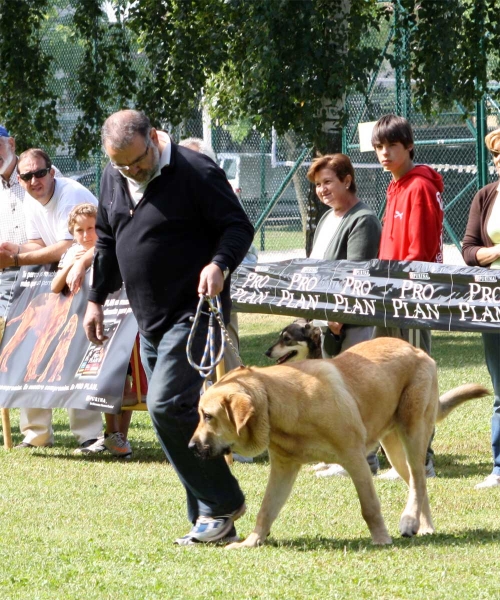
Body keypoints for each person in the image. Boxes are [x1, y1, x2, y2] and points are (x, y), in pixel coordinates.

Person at [83, 110, 254, 545]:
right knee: (171, 418)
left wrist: (219, 264)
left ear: (154, 138)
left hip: (193, 314)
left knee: (163, 406)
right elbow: (106, 240)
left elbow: (238, 226)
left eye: (137, 161)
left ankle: (222, 502)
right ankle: (210, 520)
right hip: (149, 319)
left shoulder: (195, 170)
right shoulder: (113, 175)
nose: (131, 171)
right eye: (121, 164)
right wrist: (95, 299)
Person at [0, 148, 104, 452]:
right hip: (55, 282)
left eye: (40, 173)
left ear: (52, 172)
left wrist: (16, 261)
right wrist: (14, 250)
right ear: (20, 180)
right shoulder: (32, 200)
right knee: (30, 348)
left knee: (74, 351)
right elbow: (39, 243)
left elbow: (67, 246)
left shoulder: (70, 195)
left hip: (90, 279)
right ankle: (36, 435)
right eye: (28, 176)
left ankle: (89, 435)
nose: (35, 180)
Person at [371, 114, 444, 479]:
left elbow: (423, 249)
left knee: (415, 379)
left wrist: (405, 286)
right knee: (386, 374)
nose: (384, 153)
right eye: (379, 147)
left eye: (391, 146)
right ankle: (397, 458)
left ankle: (422, 460)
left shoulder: (419, 187)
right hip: (388, 296)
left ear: (409, 146)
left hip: (412, 297)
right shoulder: (395, 186)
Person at [306, 153, 382, 477]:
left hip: (353, 321)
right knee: (334, 392)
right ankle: (339, 455)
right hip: (326, 319)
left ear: (347, 180)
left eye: (328, 182)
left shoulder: (362, 218)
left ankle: (365, 459)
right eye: (318, 185)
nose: (322, 190)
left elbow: (356, 275)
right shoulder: (327, 218)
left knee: (356, 391)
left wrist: (337, 314)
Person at [52, 202, 133, 457]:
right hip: (82, 327)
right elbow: (55, 287)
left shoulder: (112, 247)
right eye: (79, 230)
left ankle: (120, 435)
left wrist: (84, 263)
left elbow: (103, 250)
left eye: (91, 228)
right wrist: (72, 264)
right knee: (97, 380)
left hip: (117, 321)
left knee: (120, 379)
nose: (86, 235)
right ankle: (111, 434)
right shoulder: (73, 252)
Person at [462, 127, 500, 489]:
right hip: (494, 305)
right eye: (497, 155)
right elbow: (470, 250)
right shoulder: (486, 196)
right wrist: (497, 253)